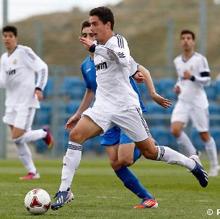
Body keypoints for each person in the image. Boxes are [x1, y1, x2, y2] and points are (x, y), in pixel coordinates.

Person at [51, 7, 208, 210]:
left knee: (150, 152)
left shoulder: (118, 41)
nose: (91, 28)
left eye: (94, 24)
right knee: (76, 136)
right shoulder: (96, 50)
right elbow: (130, 65)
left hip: (126, 107)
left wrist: (96, 50)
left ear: (108, 25)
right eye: (89, 25)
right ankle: (64, 190)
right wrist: (134, 73)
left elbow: (122, 57)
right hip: (103, 106)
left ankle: (192, 164)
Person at [64, 20, 172, 209]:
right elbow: (91, 90)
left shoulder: (112, 51)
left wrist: (152, 93)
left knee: (126, 158)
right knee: (115, 163)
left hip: (125, 109)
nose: (89, 38)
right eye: (85, 35)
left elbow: (140, 69)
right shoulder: (86, 66)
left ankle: (148, 143)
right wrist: (78, 113)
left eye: (92, 34)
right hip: (104, 112)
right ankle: (147, 198)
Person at [0, 25, 54, 180]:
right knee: (18, 141)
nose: (7, 38)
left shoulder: (24, 52)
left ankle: (44, 133)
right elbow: (3, 82)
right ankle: (33, 172)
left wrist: (39, 88)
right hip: (11, 104)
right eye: (5, 36)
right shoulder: (4, 58)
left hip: (26, 101)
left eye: (10, 36)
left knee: (17, 137)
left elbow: (42, 68)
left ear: (15, 38)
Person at [171, 30, 219, 177]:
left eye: (189, 38)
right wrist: (178, 86)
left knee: (204, 134)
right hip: (183, 101)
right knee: (175, 129)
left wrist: (192, 77)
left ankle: (215, 166)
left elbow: (207, 80)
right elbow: (181, 78)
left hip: (198, 102)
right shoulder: (177, 61)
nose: (186, 40)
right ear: (180, 42)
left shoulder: (200, 59)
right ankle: (194, 155)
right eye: (183, 38)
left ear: (193, 41)